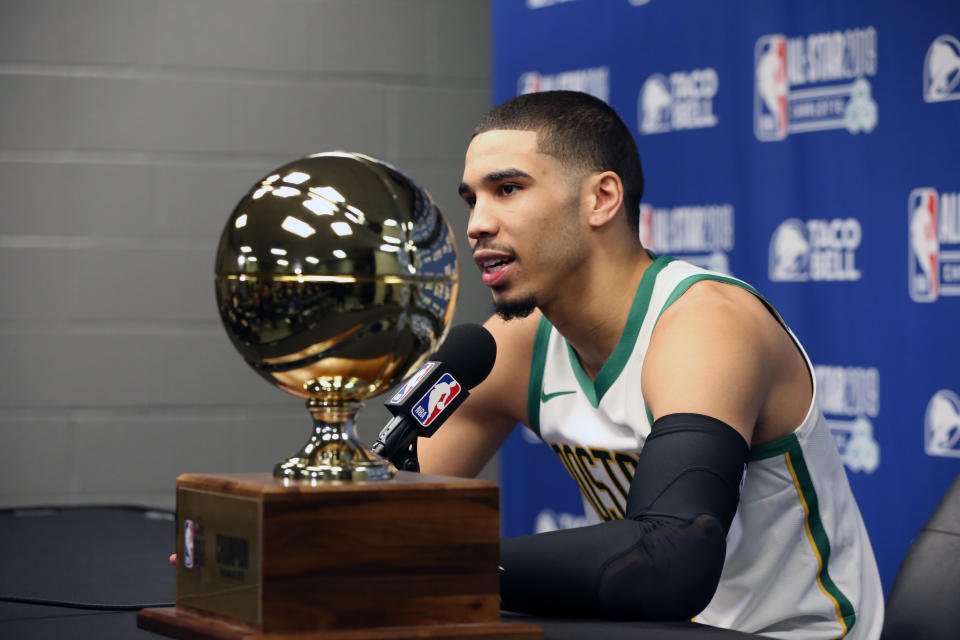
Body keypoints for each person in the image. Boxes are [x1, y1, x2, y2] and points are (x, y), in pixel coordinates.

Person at [416, 90, 883, 639]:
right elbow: (391, 512)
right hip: (663, 629)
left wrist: (454, 566)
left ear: (602, 198)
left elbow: (671, 558)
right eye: (473, 199)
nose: (477, 224)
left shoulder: (705, 324)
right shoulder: (511, 345)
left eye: (508, 189)